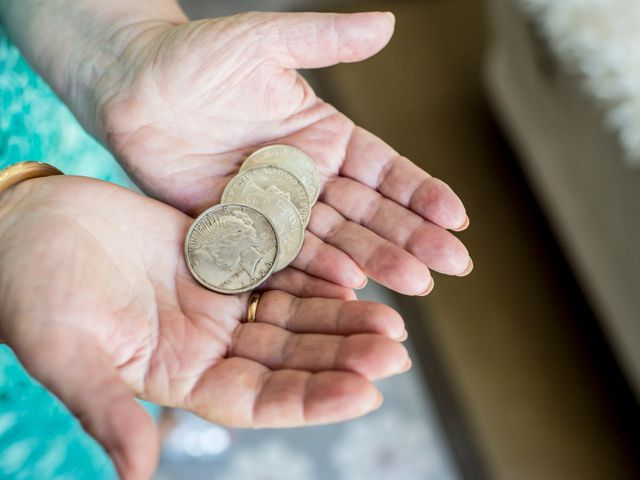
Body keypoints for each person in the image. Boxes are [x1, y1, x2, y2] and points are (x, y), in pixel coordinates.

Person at [0, 1, 472, 478]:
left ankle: (159, 424)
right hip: (50, 248)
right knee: (92, 404)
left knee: (133, 335)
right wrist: (10, 220)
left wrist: (120, 49)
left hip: (57, 165)